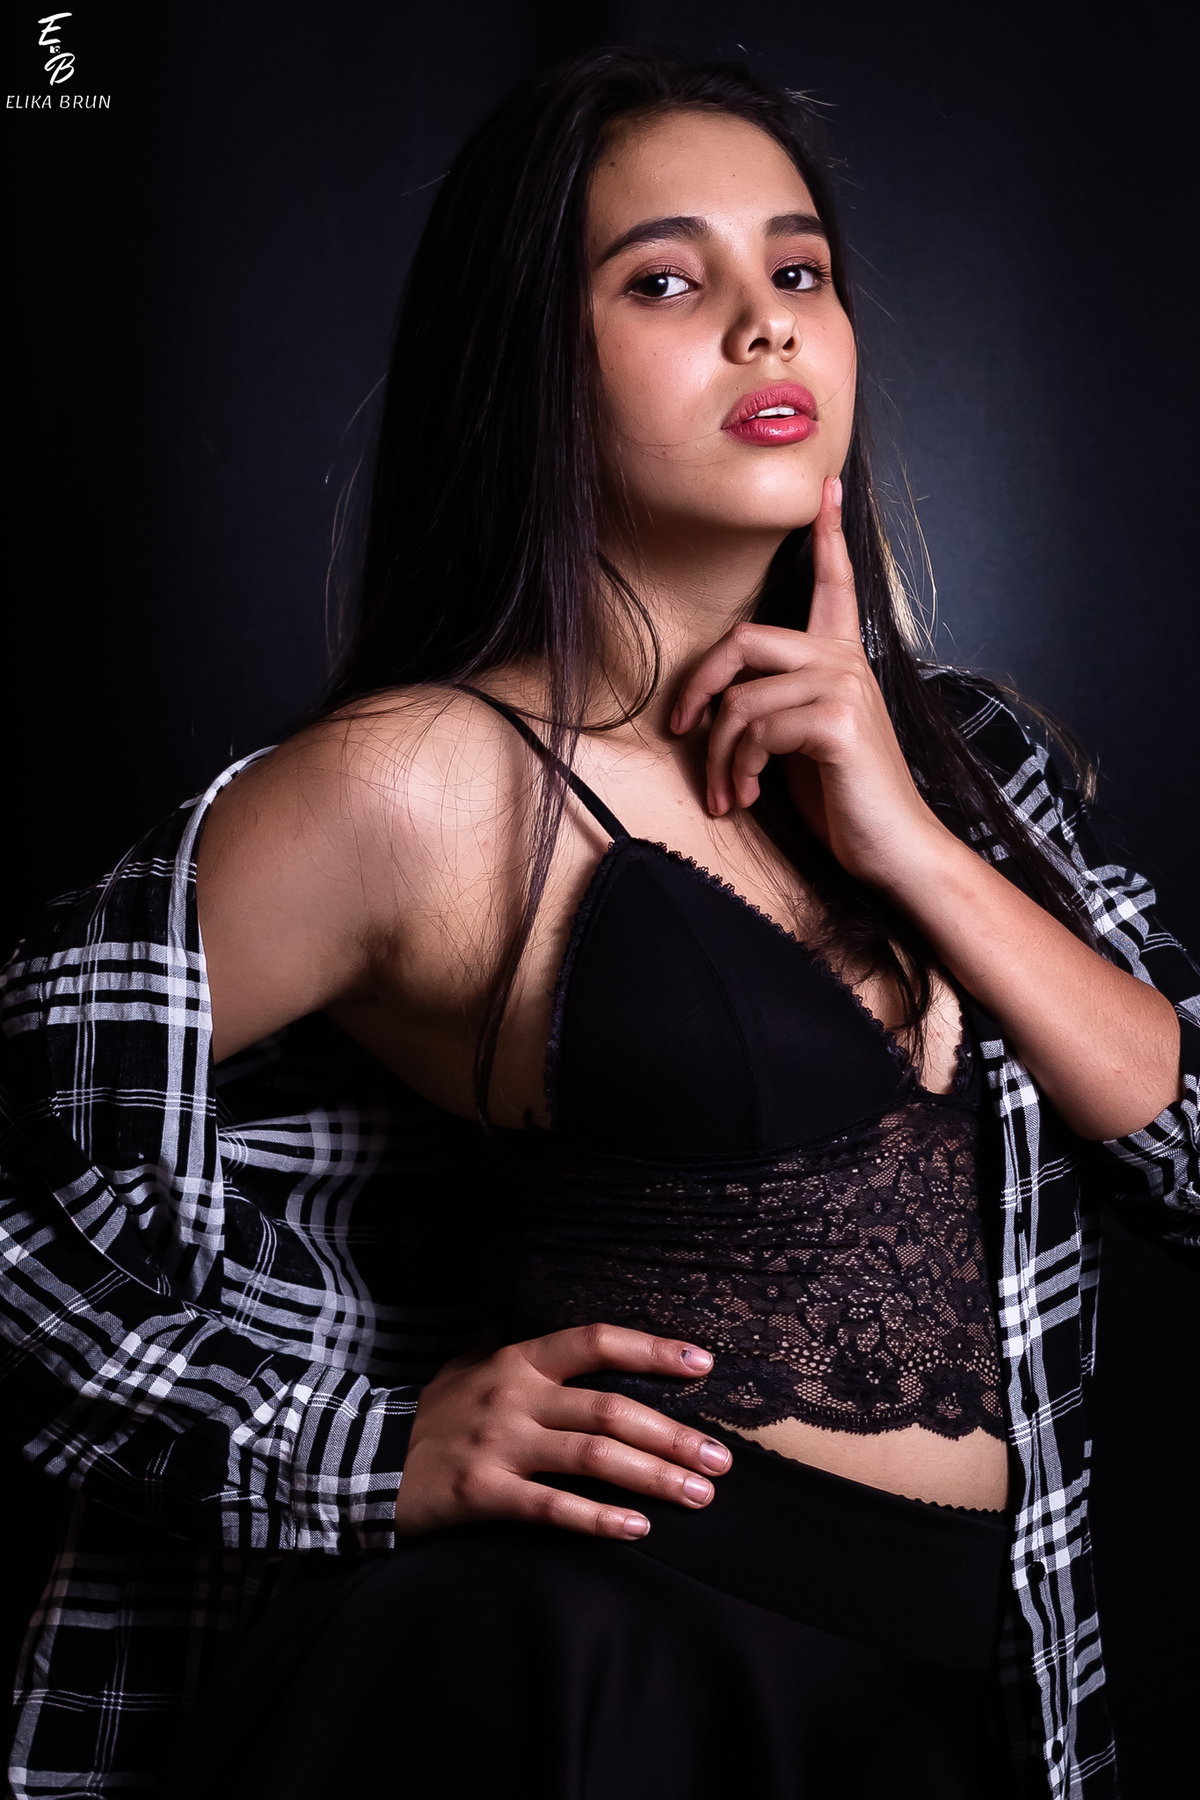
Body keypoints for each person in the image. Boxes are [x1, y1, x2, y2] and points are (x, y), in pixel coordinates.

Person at [2, 47, 1196, 1800]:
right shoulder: (423, 783)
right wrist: (356, 1449)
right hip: (575, 1690)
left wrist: (920, 848)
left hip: (956, 1708)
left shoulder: (973, 765)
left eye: (799, 271)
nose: (766, 325)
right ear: (531, 363)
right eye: (665, 282)